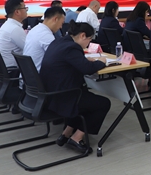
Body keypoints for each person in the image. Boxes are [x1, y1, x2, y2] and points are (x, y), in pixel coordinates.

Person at [40, 21, 110, 153]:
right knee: (103, 103)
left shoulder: (59, 42)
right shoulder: (72, 47)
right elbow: (87, 69)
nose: (88, 43)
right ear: (82, 35)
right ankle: (76, 138)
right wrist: (101, 62)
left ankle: (66, 133)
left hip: (51, 94)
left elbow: (69, 61)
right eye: (89, 39)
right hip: (63, 97)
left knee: (86, 95)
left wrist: (83, 60)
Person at [22, 6, 65, 72]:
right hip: (38, 75)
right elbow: (59, 57)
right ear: (56, 19)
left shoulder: (35, 29)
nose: (61, 27)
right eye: (62, 23)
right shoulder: (46, 35)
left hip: (29, 74)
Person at [0, 0, 28, 69]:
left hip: (4, 68)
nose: (26, 10)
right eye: (24, 8)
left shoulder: (8, 25)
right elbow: (29, 48)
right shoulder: (15, 29)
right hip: (12, 70)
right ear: (17, 12)